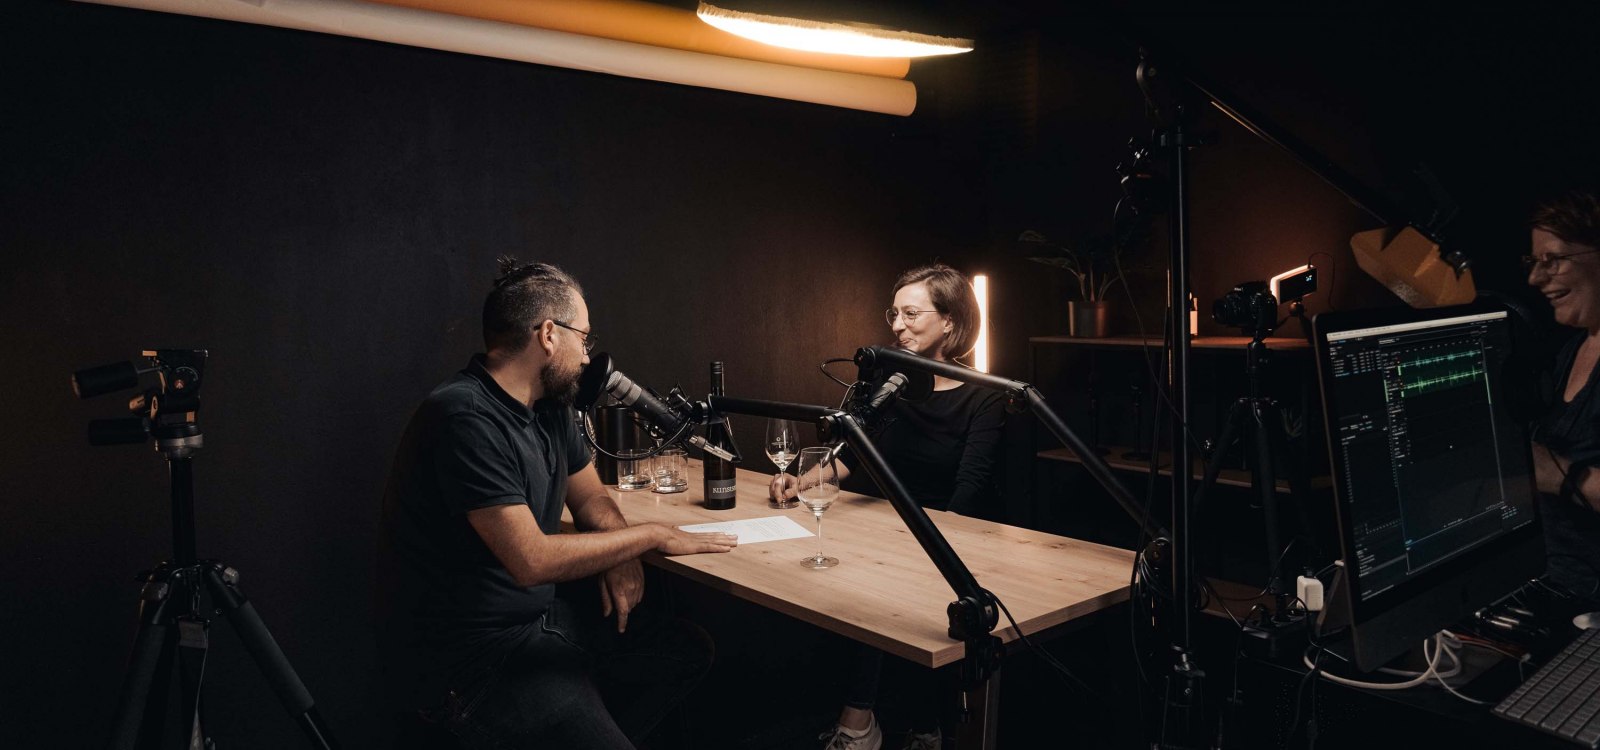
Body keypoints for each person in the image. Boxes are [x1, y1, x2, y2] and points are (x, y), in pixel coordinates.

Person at [375, 258, 739, 749]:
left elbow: (589, 495)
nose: (588, 356)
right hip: (471, 663)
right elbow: (530, 560)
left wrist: (621, 550)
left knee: (686, 652)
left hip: (538, 624)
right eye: (583, 338)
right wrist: (650, 537)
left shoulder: (549, 408)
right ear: (549, 334)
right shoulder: (462, 417)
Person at [771, 263, 1005, 750]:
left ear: (950, 322)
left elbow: (971, 488)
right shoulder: (890, 384)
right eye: (893, 314)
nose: (896, 326)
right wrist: (803, 481)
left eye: (911, 313)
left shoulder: (984, 395)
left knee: (884, 595)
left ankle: (865, 727)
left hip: (944, 539)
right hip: (879, 531)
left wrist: (920, 547)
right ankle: (915, 727)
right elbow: (852, 460)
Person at [1526, 186, 1600, 608]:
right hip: (1551, 591)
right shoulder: (1572, 347)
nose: (1536, 279)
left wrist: (1563, 477)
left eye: (1552, 260)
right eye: (1534, 263)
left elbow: (1552, 471)